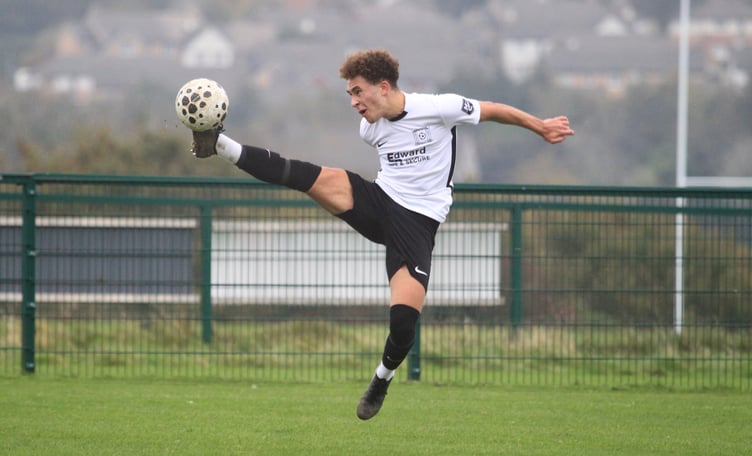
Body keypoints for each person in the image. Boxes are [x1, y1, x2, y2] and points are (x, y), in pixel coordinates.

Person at [189, 49, 574, 420]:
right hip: (379, 201)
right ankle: (220, 144)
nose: (354, 102)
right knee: (307, 175)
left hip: (417, 223)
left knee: (404, 324)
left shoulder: (439, 108)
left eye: (358, 91)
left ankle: (381, 379)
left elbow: (493, 110)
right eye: (350, 94)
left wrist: (539, 126)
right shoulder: (370, 128)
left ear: (384, 86)